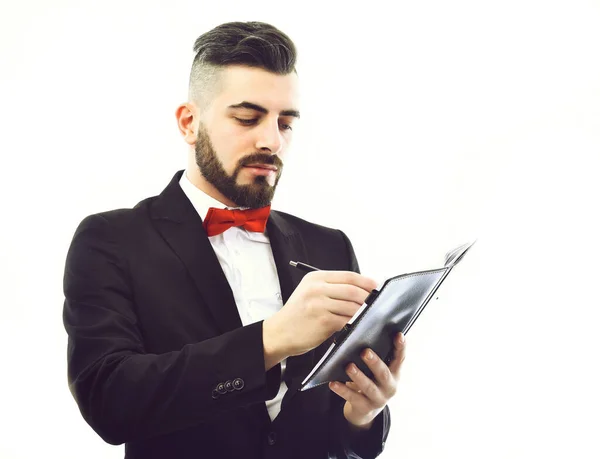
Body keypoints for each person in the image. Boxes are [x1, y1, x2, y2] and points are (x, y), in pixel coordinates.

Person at [62, 21, 406, 459]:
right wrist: (271, 339)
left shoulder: (330, 247)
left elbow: (343, 441)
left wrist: (364, 413)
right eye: (248, 118)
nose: (271, 140)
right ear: (189, 123)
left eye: (286, 123)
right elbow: (108, 402)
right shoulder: (111, 240)